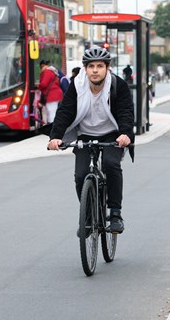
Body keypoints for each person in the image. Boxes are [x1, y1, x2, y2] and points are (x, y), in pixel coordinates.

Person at [47, 46, 134, 234]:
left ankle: (115, 213)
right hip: (85, 134)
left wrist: (125, 133)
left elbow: (126, 112)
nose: (95, 70)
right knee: (80, 176)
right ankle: (88, 216)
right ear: (85, 69)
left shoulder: (118, 85)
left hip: (112, 134)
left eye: (100, 66)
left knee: (111, 164)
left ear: (107, 68)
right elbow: (65, 111)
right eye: (91, 66)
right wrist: (55, 137)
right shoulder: (76, 86)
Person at [38, 59, 64, 124]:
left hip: (52, 95)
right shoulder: (52, 71)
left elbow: (44, 84)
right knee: (53, 112)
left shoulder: (47, 72)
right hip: (55, 94)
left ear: (43, 65)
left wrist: (38, 86)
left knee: (51, 112)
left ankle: (52, 128)